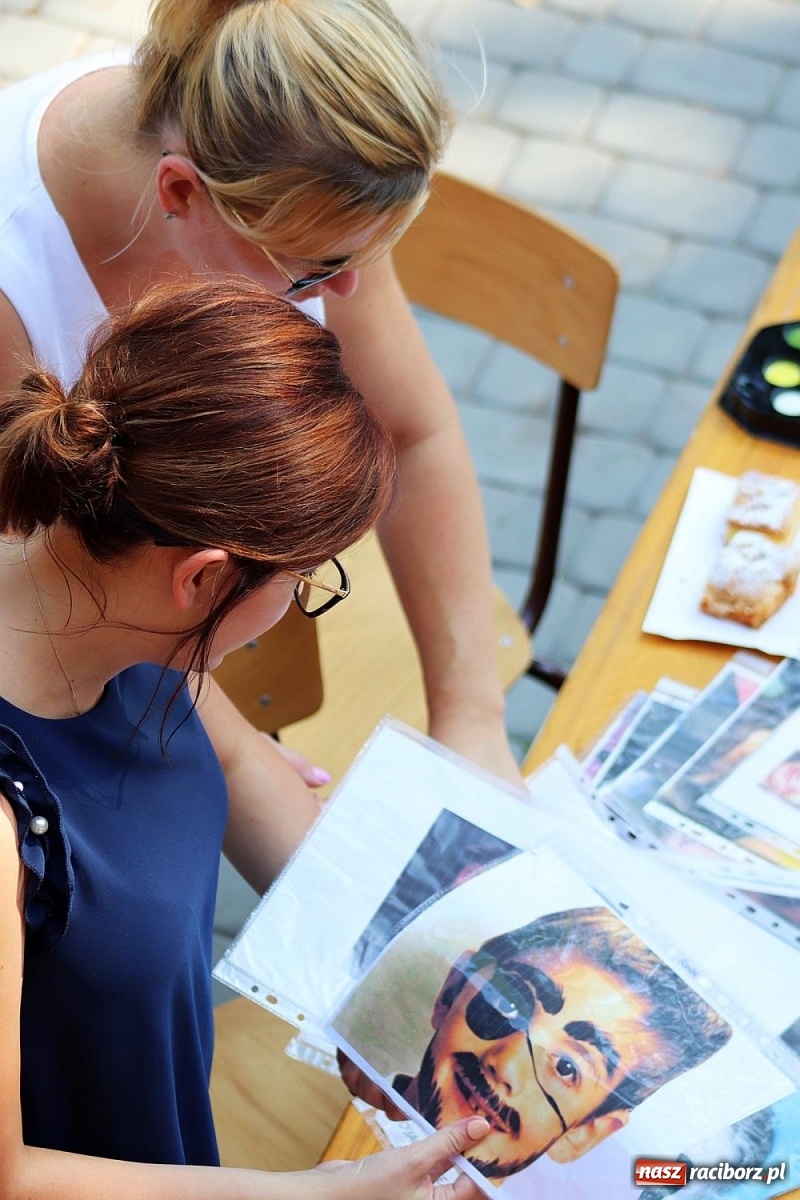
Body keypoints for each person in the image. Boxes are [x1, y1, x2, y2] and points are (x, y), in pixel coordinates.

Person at [0, 278, 492, 1198]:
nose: (297, 603)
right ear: (202, 578)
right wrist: (318, 1193)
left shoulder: (107, 597)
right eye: (305, 582)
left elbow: (230, 762)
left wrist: (396, 991)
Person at [0, 0, 522, 790]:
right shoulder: (15, 282)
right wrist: (233, 755)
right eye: (315, 269)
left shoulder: (295, 173)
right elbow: (59, 596)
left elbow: (415, 434)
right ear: (181, 191)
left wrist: (472, 719)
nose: (345, 290)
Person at [348, 906, 732, 1180]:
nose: (507, 1065)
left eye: (567, 1067)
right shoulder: (344, 1108)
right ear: (453, 989)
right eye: (509, 1003)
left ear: (586, 1132)